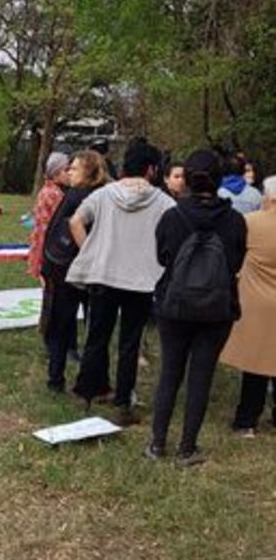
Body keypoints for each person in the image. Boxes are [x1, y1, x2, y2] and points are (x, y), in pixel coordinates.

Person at [148, 150, 247, 465]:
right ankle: (187, 447)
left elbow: (162, 257)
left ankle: (157, 443)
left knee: (170, 373)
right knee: (201, 376)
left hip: (174, 304)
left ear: (186, 179)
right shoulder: (234, 220)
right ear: (219, 179)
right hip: (217, 308)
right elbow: (236, 262)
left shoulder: (172, 217)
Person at [67, 140, 174, 423]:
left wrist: (90, 250)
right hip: (140, 281)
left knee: (96, 337)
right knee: (130, 342)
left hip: (103, 274)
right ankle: (124, 400)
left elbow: (75, 221)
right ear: (151, 169)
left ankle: (87, 394)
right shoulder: (163, 201)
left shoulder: (104, 194)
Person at [41, 151, 108, 391]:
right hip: (78, 269)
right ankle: (90, 380)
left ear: (89, 173)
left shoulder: (81, 197)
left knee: (62, 325)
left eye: (75, 168)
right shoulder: (86, 195)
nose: (69, 172)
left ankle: (56, 378)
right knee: (92, 327)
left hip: (66, 269)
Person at [221, 175, 276, 437]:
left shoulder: (250, 222)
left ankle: (246, 420)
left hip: (256, 300)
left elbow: (233, 253)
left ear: (270, 197)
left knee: (255, 363)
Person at [27, 152, 70, 280]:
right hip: (48, 244)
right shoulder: (55, 194)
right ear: (56, 173)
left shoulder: (47, 190)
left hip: (42, 242)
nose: (70, 174)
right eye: (66, 170)